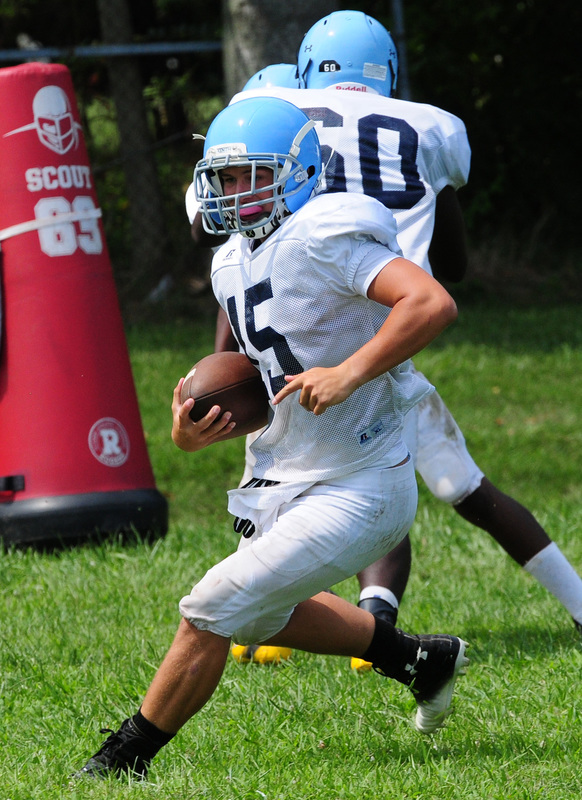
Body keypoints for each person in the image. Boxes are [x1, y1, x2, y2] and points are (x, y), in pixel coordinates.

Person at [75, 96, 468, 780]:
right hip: (291, 470)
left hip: (363, 480)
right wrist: (193, 427)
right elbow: (250, 377)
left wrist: (350, 371)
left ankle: (120, 762)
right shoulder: (232, 262)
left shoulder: (326, 231)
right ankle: (418, 660)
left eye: (251, 174)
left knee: (211, 606)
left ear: (299, 171)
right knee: (258, 615)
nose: (235, 192)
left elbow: (431, 301)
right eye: (224, 179)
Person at [190, 10, 582, 669]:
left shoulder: (266, 107)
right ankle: (349, 620)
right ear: (389, 72)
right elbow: (450, 264)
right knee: (451, 484)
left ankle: (346, 624)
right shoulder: (429, 125)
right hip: (384, 318)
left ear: (310, 67)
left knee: (347, 473)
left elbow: (219, 225)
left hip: (312, 318)